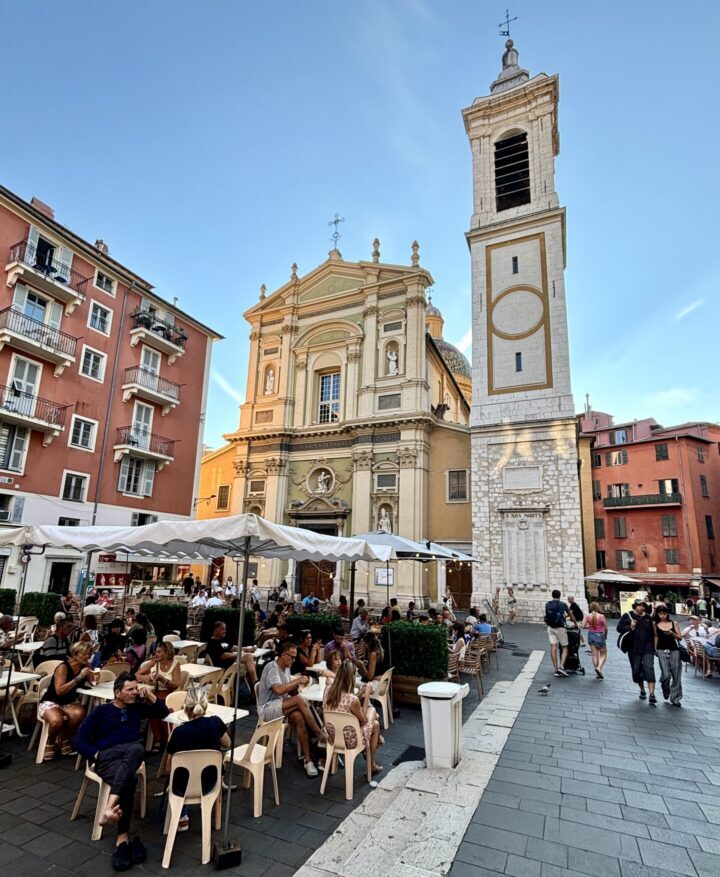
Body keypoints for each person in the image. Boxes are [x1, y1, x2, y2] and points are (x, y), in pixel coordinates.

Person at [75, 673, 169, 870]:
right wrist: (97, 755)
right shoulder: (101, 711)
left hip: (131, 755)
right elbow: (79, 740)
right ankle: (123, 837)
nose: (135, 692)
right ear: (117, 693)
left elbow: (163, 714)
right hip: (107, 757)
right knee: (132, 770)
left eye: (136, 688)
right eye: (130, 689)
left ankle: (119, 830)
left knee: (135, 752)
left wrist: (151, 697)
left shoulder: (137, 708)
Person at [165, 686, 231, 831]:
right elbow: (227, 743)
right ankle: (209, 807)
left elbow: (169, 768)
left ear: (185, 708)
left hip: (184, 787)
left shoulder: (179, 732)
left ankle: (182, 816)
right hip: (210, 782)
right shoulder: (215, 722)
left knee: (180, 775)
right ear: (205, 706)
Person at [257, 642, 326, 777]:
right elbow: (278, 690)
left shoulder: (286, 667)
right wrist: (297, 681)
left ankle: (308, 760)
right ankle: (320, 735)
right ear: (283, 655)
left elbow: (288, 688)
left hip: (280, 706)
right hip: (267, 709)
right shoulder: (272, 668)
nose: (294, 660)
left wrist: (300, 685)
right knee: (300, 700)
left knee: (299, 717)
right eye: (292, 657)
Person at [324, 659, 383, 776]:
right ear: (351, 678)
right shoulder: (352, 699)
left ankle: (372, 763)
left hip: (332, 736)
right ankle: (371, 764)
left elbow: (343, 704)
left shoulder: (328, 691)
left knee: (375, 724)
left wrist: (359, 694)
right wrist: (366, 696)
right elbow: (363, 719)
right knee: (372, 713)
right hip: (350, 740)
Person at [39, 641, 96, 761]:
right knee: (56, 721)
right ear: (75, 654)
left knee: (79, 713)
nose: (87, 657)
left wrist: (92, 672)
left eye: (89, 654)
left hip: (69, 701)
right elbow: (59, 690)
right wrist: (79, 677)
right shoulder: (63, 667)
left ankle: (64, 739)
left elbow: (93, 683)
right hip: (52, 700)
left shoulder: (84, 666)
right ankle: (50, 743)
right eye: (84, 654)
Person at [136, 641, 182, 750]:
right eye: (156, 651)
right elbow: (137, 675)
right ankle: (157, 737)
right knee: (151, 704)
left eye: (159, 652)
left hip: (171, 694)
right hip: (157, 693)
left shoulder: (175, 664)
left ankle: (164, 738)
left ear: (167, 652)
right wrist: (147, 678)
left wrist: (163, 679)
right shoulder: (154, 662)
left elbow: (176, 684)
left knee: (157, 705)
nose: (156, 654)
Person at [617, 600, 658, 705]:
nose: (642, 608)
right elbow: (619, 628)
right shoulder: (627, 615)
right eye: (640, 605)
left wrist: (655, 647)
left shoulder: (648, 617)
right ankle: (642, 690)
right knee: (636, 669)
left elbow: (654, 633)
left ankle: (652, 694)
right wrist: (630, 626)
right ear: (635, 606)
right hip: (634, 648)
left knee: (649, 667)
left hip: (648, 647)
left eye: (643, 606)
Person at [205, 621, 258, 688]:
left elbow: (233, 648)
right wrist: (240, 654)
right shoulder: (212, 643)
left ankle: (253, 687)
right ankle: (255, 684)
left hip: (231, 664)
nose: (224, 631)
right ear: (215, 630)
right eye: (222, 629)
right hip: (224, 669)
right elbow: (223, 655)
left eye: (225, 629)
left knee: (252, 661)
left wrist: (246, 649)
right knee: (248, 657)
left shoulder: (222, 641)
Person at [654, 606, 683, 705]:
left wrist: (672, 634)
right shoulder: (656, 624)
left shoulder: (674, 623)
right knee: (666, 674)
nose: (663, 616)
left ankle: (675, 697)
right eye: (660, 613)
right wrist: (655, 649)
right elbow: (656, 637)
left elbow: (680, 637)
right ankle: (665, 686)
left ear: (667, 614)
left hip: (674, 650)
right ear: (657, 614)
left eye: (664, 613)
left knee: (676, 674)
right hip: (661, 650)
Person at [544, 590, 572, 678]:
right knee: (565, 647)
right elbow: (570, 614)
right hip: (560, 628)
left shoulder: (548, 604)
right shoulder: (563, 604)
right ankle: (561, 666)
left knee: (553, 647)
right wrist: (574, 622)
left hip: (550, 628)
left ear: (552, 595)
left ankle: (556, 669)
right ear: (560, 596)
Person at [583, 602, 608, 679]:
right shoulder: (602, 616)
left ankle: (597, 673)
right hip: (600, 635)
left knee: (594, 655)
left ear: (590, 608)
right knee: (603, 654)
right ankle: (599, 668)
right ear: (597, 608)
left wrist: (590, 626)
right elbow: (606, 628)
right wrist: (605, 636)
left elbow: (583, 626)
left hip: (591, 635)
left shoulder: (587, 616)